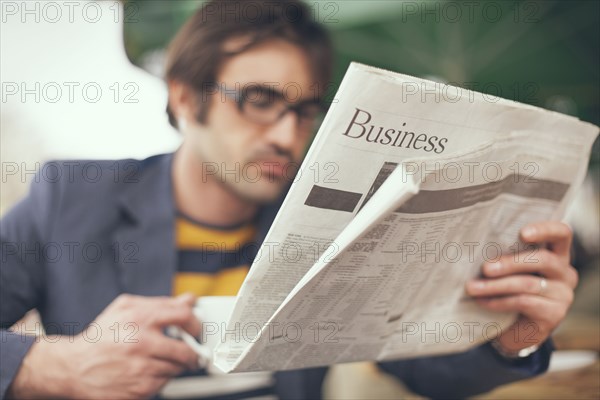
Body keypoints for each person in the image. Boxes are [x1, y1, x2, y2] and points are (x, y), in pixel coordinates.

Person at [1, 0, 578, 399]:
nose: (286, 134)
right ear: (183, 97)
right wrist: (49, 367)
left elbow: (426, 370)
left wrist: (507, 338)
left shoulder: (334, 225)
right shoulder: (69, 201)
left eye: (304, 110)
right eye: (258, 99)